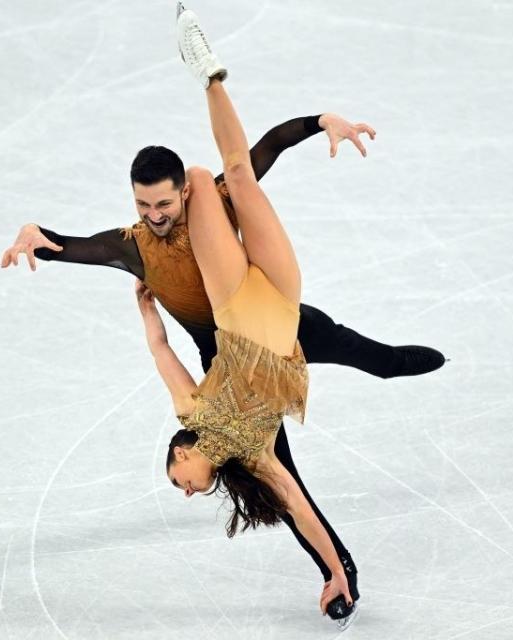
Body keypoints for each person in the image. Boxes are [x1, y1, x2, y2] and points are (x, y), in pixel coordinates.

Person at [142, 4, 380, 627]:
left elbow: (163, 358)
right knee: (226, 182)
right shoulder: (254, 459)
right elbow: (301, 510)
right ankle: (209, 88)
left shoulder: (189, 411)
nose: (185, 489)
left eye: (177, 479)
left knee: (214, 177)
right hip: (279, 299)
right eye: (182, 487)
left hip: (235, 311)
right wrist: (334, 571)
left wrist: (149, 311)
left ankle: (209, 73)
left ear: (182, 449)